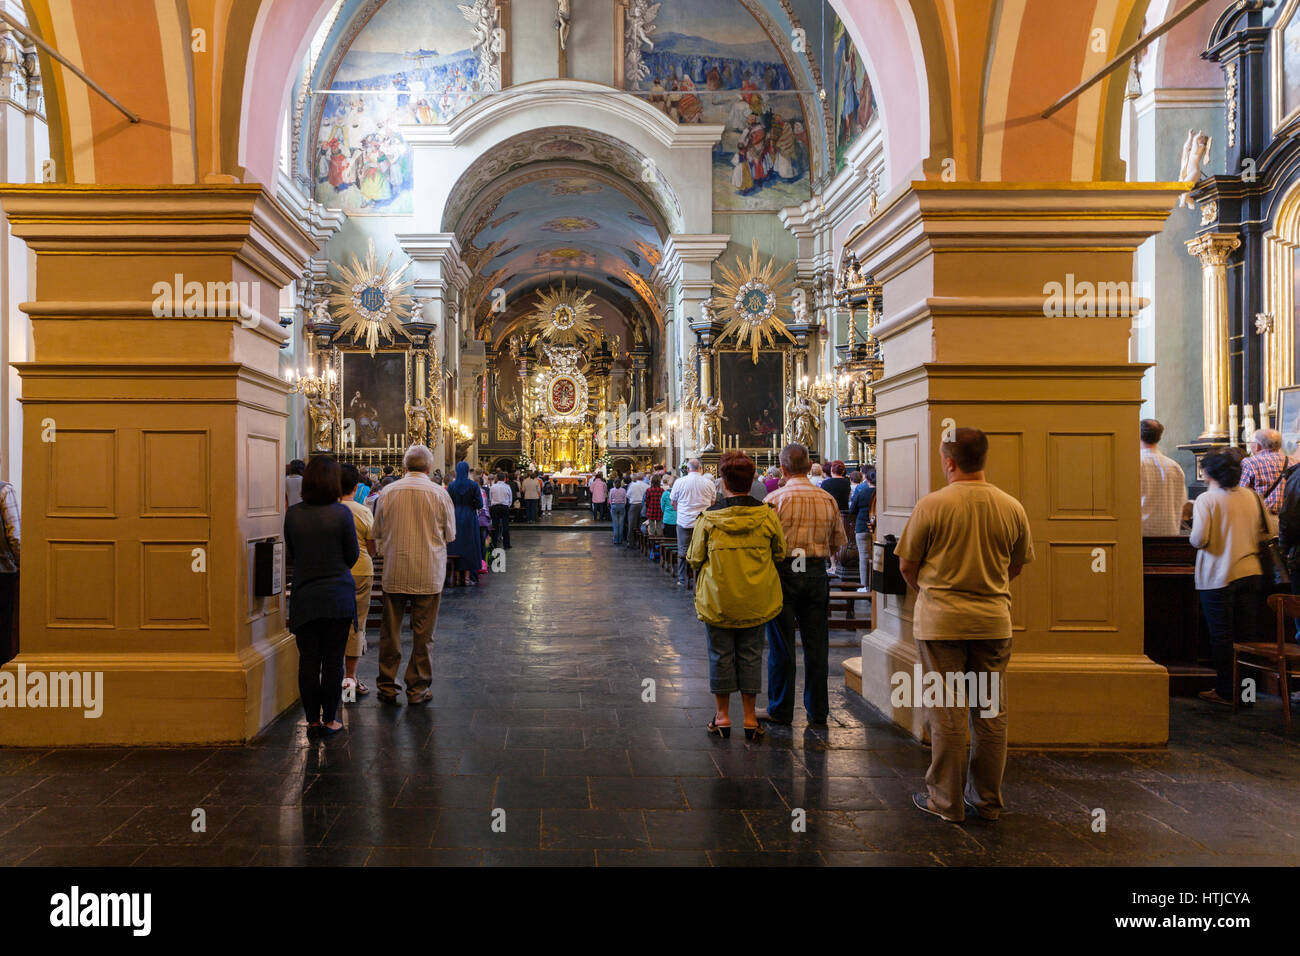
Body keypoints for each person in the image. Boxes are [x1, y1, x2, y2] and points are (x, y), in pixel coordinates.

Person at [895, 428, 1034, 823]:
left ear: (950, 462)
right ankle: (987, 800)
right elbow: (1017, 564)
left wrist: (928, 589)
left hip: (942, 623)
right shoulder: (1011, 506)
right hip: (993, 622)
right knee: (990, 713)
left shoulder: (932, 505)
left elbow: (907, 564)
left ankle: (946, 802)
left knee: (947, 712)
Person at [687, 451, 786, 740]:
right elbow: (780, 553)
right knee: (752, 655)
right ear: (752, 479)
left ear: (723, 482)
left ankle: (722, 716)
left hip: (718, 599)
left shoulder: (708, 519)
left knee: (719, 654)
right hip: (756, 598)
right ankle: (751, 718)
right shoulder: (767, 515)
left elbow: (694, 558)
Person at [762, 443, 846, 726]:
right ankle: (818, 710)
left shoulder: (773, 500)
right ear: (810, 467)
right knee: (817, 644)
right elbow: (837, 544)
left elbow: (765, 545)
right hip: (814, 572)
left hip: (784, 572)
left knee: (781, 644)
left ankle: (781, 708)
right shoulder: (827, 500)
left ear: (783, 469)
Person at [372, 444, 456, 706]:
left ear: (405, 466)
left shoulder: (388, 492)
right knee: (423, 634)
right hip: (428, 573)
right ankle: (417, 689)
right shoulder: (439, 494)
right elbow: (450, 535)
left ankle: (387, 686)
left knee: (390, 633)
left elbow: (377, 532)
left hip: (395, 570)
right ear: (429, 468)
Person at [284, 456, 358, 737]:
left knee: (308, 660)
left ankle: (311, 721)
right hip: (337, 595)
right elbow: (351, 556)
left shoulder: (294, 514)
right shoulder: (341, 514)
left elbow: (291, 553)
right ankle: (331, 719)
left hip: (305, 594)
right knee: (333, 660)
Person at [1190, 449, 1265, 709]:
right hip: (1251, 571)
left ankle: (1225, 691)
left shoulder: (1207, 500)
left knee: (1222, 637)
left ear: (1209, 472)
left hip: (1218, 575)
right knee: (1248, 639)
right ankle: (1248, 694)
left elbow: (1199, 539)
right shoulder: (1252, 496)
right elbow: (1268, 530)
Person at [338, 464, 376, 699]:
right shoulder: (362, 511)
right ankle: (350, 677)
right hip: (360, 570)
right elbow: (373, 547)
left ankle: (332, 674)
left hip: (333, 572)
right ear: (356, 486)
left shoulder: (329, 509)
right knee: (356, 623)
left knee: (334, 622)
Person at [670, 459, 716, 587]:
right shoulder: (709, 483)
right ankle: (701, 578)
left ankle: (682, 579)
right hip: (703, 521)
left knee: (683, 550)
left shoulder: (679, 482)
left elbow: (673, 501)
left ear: (688, 469)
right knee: (703, 549)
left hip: (684, 521)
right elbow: (712, 503)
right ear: (700, 468)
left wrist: (680, 511)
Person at [1139, 419, 1187, 536]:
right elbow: (1182, 503)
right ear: (1160, 437)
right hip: (1169, 533)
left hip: (1142, 533)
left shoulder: (1136, 464)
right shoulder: (1174, 466)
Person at [446, 461, 484, 587]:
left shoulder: (451, 486)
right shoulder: (473, 485)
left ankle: (456, 577)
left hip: (455, 516)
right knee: (469, 545)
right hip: (469, 517)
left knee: (455, 545)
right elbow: (480, 504)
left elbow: (448, 502)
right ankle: (468, 577)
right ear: (467, 471)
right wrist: (471, 506)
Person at [1240, 428, 1288, 516]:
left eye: (1251, 443)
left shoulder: (1250, 463)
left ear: (1257, 446)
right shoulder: (1295, 462)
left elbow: (1241, 493)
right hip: (1290, 519)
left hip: (1264, 519)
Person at [820, 460, 853, 577]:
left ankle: (833, 565)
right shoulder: (846, 482)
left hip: (829, 512)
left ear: (831, 470)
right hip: (844, 512)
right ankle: (839, 564)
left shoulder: (825, 483)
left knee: (830, 539)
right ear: (843, 470)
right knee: (842, 538)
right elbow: (849, 497)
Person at [0, 475, 19, 662]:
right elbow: (15, 536)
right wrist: (22, 565)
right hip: (3, 570)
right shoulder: (5, 491)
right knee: (3, 625)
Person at [848, 465, 876, 592]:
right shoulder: (881, 494)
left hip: (862, 526)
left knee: (864, 557)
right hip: (877, 527)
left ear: (867, 480)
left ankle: (864, 585)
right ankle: (876, 584)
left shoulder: (862, 492)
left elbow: (852, 510)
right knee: (877, 556)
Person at [488, 471, 514, 551]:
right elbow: (510, 499)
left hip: (495, 507)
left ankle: (494, 544)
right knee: (505, 525)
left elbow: (490, 498)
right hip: (504, 507)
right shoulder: (507, 487)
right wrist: (507, 505)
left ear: (497, 478)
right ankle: (506, 544)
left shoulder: (493, 487)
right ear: (505, 479)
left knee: (495, 525)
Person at [626, 472, 649, 546]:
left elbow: (628, 495)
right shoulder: (646, 486)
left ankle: (631, 542)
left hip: (634, 505)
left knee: (632, 524)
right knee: (641, 524)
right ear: (643, 478)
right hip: (643, 506)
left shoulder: (633, 485)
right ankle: (641, 542)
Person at [609, 479, 629, 544]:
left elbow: (610, 499)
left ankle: (615, 540)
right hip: (622, 506)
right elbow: (625, 499)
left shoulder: (612, 490)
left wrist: (611, 505)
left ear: (614, 484)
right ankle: (620, 540)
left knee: (615, 524)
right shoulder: (623, 490)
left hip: (614, 506)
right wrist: (623, 504)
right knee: (621, 523)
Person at [661, 474, 677, 542]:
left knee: (668, 539)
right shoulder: (680, 493)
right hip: (678, 518)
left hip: (667, 518)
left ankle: (668, 551)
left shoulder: (665, 493)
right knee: (676, 539)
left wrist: (666, 512)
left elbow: (662, 507)